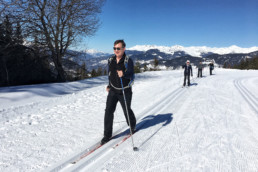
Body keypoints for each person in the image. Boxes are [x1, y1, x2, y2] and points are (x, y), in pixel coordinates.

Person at [101, 40, 136, 145]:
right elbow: (110, 74)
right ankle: (107, 135)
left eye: (118, 48)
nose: (116, 50)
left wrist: (124, 73)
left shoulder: (127, 60)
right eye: (114, 48)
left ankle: (132, 125)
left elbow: (131, 73)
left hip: (125, 90)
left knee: (126, 110)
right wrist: (109, 85)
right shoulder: (111, 59)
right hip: (113, 90)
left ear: (123, 49)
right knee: (108, 112)